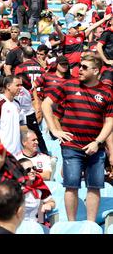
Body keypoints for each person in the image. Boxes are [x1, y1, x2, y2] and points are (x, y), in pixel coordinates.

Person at [42, 54, 113, 222]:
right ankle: (72, 226)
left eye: (84, 67)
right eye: (80, 66)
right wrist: (54, 130)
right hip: (71, 146)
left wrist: (98, 142)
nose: (79, 69)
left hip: (96, 148)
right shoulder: (68, 85)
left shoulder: (107, 92)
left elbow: (110, 121)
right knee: (71, 186)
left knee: (94, 187)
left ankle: (89, 226)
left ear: (96, 71)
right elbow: (46, 104)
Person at [0, 75, 27, 155]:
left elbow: (22, 126)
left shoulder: (17, 103)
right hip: (3, 151)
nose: (20, 88)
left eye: (21, 85)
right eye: (17, 85)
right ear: (8, 86)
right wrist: (0, 148)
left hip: (17, 151)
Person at [18, 158, 55, 223]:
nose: (32, 171)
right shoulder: (13, 187)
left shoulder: (39, 184)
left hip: (35, 226)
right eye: (28, 170)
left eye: (34, 168)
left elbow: (52, 202)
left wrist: (48, 205)